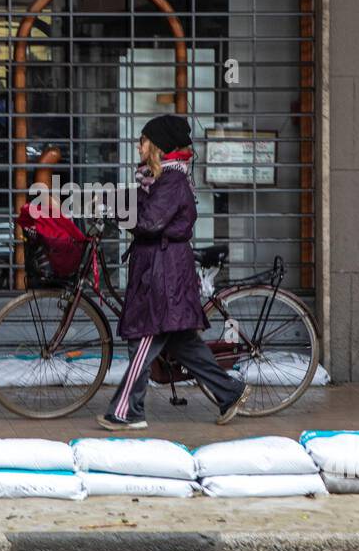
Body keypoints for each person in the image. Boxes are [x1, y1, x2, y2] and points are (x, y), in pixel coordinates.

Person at [99, 114, 251, 430]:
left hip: (163, 274)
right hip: (160, 268)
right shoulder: (157, 178)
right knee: (183, 345)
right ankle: (230, 392)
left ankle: (127, 411)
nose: (138, 145)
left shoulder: (171, 182)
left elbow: (150, 223)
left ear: (157, 146)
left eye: (143, 140)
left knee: (143, 340)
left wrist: (118, 212)